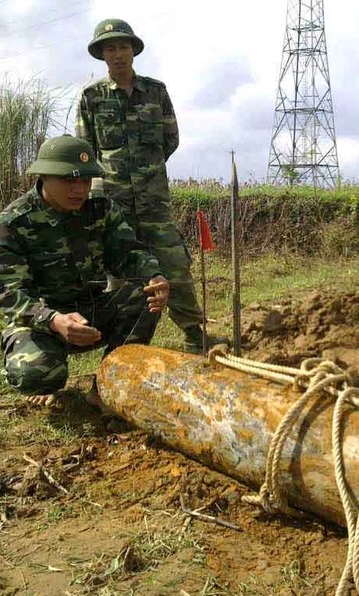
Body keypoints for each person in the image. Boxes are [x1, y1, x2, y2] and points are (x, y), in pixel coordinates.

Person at [75, 18, 226, 354]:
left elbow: (169, 140)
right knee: (123, 276)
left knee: (175, 267)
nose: (117, 54)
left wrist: (146, 172)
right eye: (110, 48)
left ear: (133, 50)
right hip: (113, 203)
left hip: (154, 201)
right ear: (102, 54)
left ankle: (194, 335)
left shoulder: (156, 91)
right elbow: (85, 151)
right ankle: (126, 347)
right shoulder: (91, 97)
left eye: (123, 46)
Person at [0, 135, 169, 408]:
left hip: (92, 311)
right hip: (43, 323)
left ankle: (106, 385)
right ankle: (49, 380)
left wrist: (154, 276)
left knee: (144, 296)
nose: (79, 190)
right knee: (35, 375)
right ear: (44, 177)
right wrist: (53, 320)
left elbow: (128, 252)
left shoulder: (100, 209)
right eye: (69, 181)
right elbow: (8, 293)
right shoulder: (12, 223)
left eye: (85, 181)